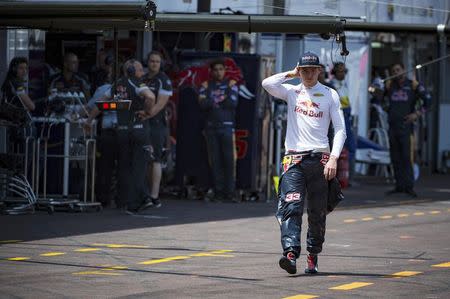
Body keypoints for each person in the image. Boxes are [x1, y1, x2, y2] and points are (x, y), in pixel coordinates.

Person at [262, 52, 346, 275]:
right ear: (299, 71)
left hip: (321, 159)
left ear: (319, 70)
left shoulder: (330, 94)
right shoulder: (291, 91)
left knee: (317, 213)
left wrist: (334, 158)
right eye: (304, 70)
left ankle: (312, 254)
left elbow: (340, 130)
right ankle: (290, 254)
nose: (308, 74)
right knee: (291, 207)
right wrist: (290, 73)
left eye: (312, 70)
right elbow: (267, 83)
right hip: (293, 159)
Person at [85, 59, 156, 213]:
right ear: (132, 71)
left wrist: (89, 120)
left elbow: (101, 105)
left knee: (126, 168)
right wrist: (147, 112)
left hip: (123, 132)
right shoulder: (138, 84)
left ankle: (132, 203)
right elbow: (150, 97)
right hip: (138, 130)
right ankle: (144, 198)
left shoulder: (116, 85)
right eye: (139, 69)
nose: (142, 72)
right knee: (138, 167)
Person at [383, 62, 430, 198]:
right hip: (392, 127)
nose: (396, 72)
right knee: (395, 157)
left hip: (406, 128)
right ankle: (399, 185)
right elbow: (378, 97)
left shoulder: (413, 85)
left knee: (406, 157)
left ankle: (409, 186)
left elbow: (428, 101)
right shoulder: (389, 85)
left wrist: (417, 114)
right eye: (394, 70)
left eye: (398, 69)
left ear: (403, 70)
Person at [198, 58, 239, 202]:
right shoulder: (205, 85)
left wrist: (213, 100)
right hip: (211, 128)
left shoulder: (231, 84)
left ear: (225, 70)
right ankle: (218, 192)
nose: (218, 72)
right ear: (211, 71)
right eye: (216, 69)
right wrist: (222, 98)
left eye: (221, 69)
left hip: (227, 127)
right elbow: (202, 104)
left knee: (229, 161)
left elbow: (232, 103)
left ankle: (230, 193)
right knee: (214, 161)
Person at [143, 51, 173, 208]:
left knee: (155, 160)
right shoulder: (142, 78)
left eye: (157, 61)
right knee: (144, 159)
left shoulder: (164, 80)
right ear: (147, 62)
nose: (154, 63)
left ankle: (154, 196)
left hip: (156, 125)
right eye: (151, 61)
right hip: (141, 124)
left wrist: (144, 115)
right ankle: (144, 194)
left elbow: (160, 105)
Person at [330, 62, 356, 185]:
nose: (343, 73)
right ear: (334, 73)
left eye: (344, 71)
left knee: (351, 148)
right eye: (340, 71)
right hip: (339, 118)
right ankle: (334, 178)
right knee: (336, 148)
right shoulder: (331, 86)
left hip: (347, 118)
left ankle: (347, 177)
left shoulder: (345, 84)